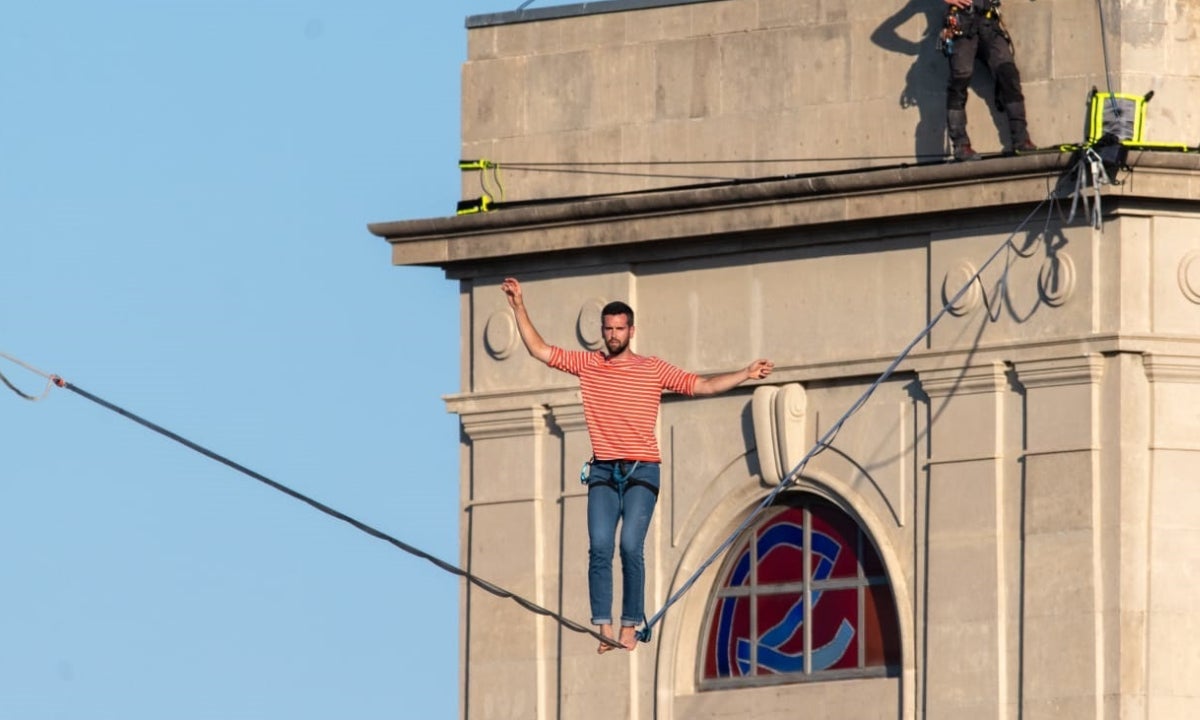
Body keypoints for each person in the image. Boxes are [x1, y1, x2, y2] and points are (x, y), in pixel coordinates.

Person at [501, 278, 774, 653]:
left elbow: (703, 385)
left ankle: (629, 625)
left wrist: (745, 373)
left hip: (641, 470)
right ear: (602, 332)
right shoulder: (589, 365)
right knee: (600, 546)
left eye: (619, 329)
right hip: (602, 470)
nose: (613, 335)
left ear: (631, 331)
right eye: (608, 329)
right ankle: (604, 627)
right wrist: (519, 306)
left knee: (630, 545)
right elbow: (539, 350)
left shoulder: (652, 369)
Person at [941, 0, 1036, 161]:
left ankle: (1021, 140)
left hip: (988, 22)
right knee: (960, 79)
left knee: (1008, 73)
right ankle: (961, 145)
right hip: (961, 22)